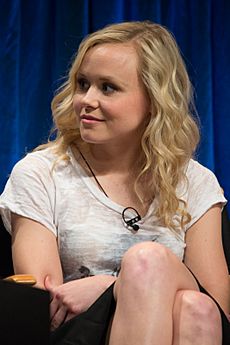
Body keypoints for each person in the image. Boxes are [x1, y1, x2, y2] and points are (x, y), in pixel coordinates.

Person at [0, 21, 229, 345]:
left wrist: (113, 285)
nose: (86, 100)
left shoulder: (194, 181)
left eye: (108, 87)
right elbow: (48, 307)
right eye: (82, 83)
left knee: (193, 303)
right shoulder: (40, 174)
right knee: (179, 294)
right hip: (77, 335)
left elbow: (219, 308)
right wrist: (132, 286)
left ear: (153, 99)